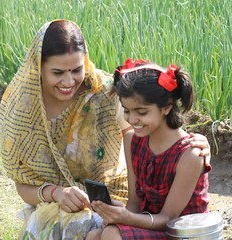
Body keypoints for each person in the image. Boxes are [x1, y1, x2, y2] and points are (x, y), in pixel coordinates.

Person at [0, 19, 211, 240]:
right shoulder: (22, 109)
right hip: (58, 202)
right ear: (38, 66)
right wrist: (57, 193)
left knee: (97, 231)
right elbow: (23, 185)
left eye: (77, 70)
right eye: (58, 72)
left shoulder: (103, 92)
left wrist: (194, 144)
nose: (69, 81)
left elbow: (158, 125)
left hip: (120, 202)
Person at [85, 59, 210, 240]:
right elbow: (134, 203)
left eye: (142, 112)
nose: (132, 119)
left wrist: (127, 219)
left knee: (112, 234)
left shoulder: (190, 154)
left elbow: (169, 218)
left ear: (166, 108)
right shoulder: (134, 141)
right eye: (127, 111)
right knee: (95, 235)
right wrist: (118, 215)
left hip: (181, 232)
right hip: (152, 226)